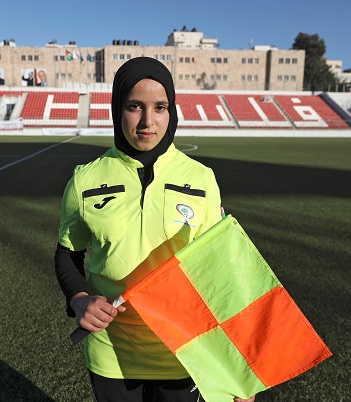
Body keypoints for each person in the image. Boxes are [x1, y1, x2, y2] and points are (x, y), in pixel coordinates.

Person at [54, 57, 254, 402]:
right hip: (111, 352)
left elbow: (219, 273)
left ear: (171, 111)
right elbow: (67, 253)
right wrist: (79, 298)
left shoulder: (202, 179)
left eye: (160, 107)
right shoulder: (85, 179)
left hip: (184, 350)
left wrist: (238, 367)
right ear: (118, 109)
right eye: (135, 106)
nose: (148, 121)